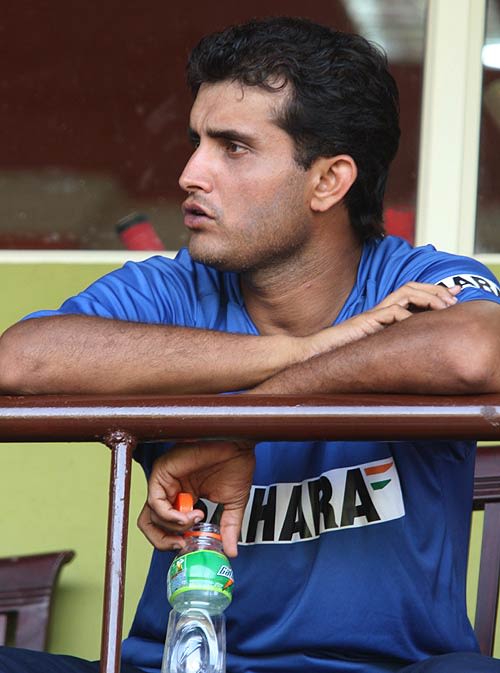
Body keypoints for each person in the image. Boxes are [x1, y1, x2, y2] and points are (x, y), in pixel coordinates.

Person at [1, 15, 500, 673]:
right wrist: (306, 347)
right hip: (176, 664)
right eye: (195, 141)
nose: (189, 173)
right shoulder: (173, 289)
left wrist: (238, 432)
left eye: (232, 147)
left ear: (328, 181)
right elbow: (21, 361)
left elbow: (475, 349)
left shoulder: (413, 281)